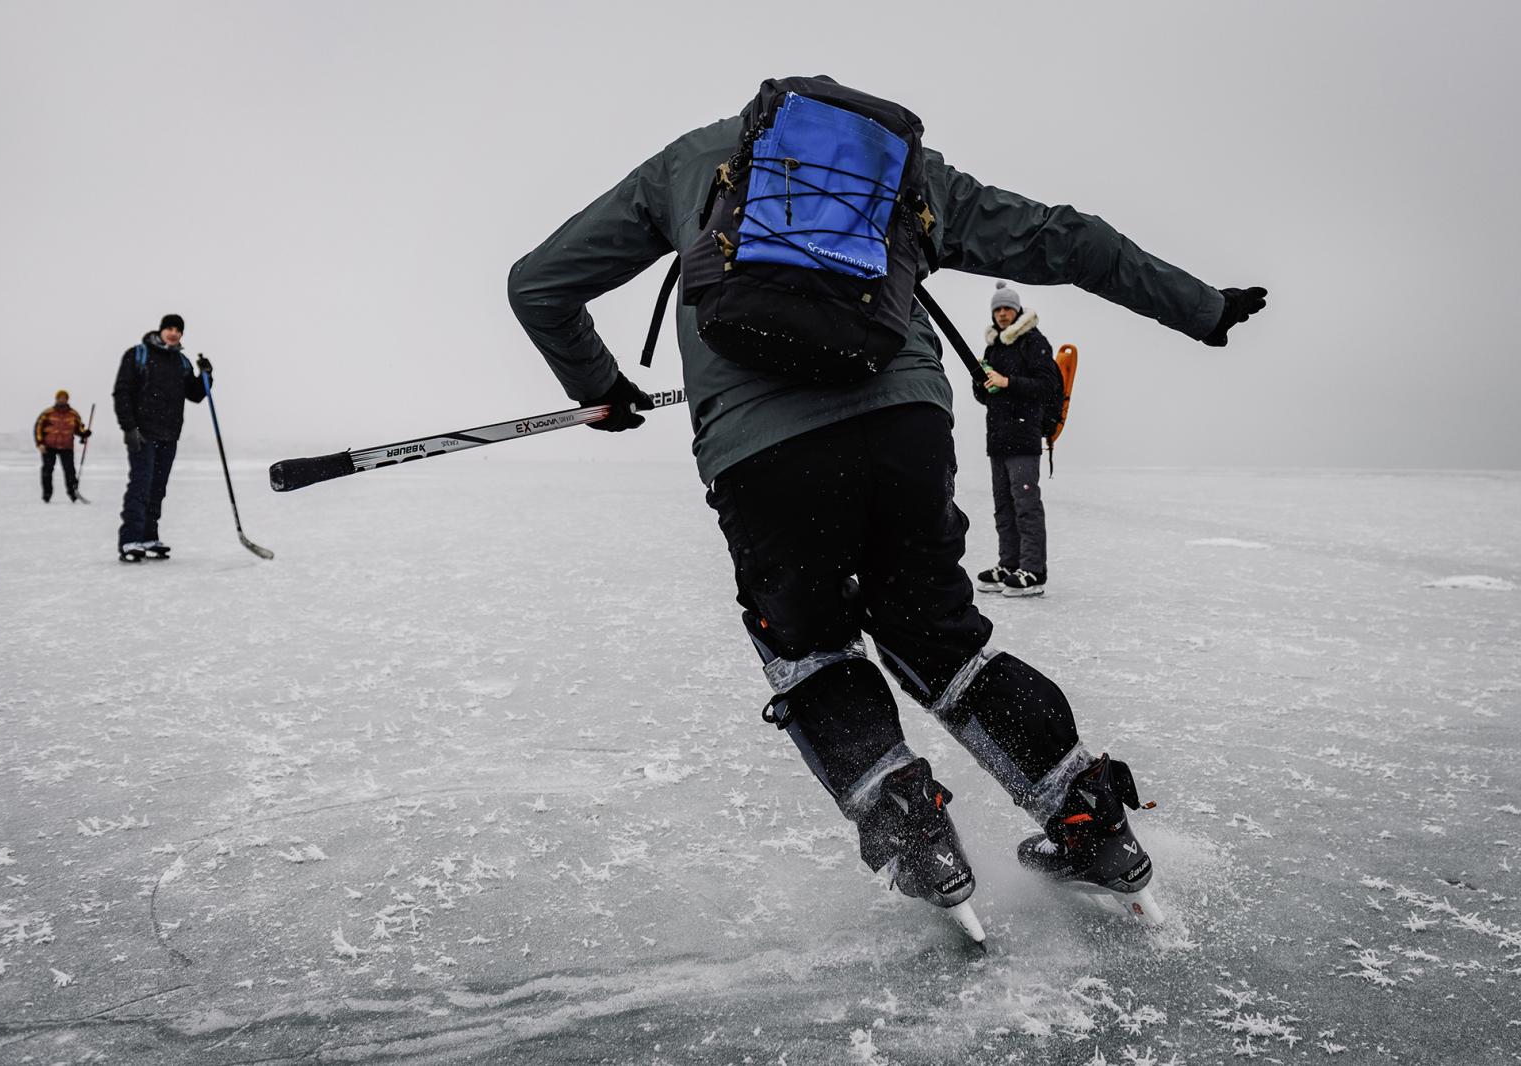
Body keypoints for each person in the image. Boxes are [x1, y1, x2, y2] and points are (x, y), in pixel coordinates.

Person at [508, 76, 1266, 926]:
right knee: (943, 642)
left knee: (812, 650)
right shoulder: (903, 171)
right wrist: (1201, 308)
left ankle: (914, 830)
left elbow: (539, 284)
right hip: (902, 427)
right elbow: (1069, 239)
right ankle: (1088, 818)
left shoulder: (689, 163)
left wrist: (601, 387)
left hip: (761, 452)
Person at [972, 282, 1062, 597]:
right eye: (997, 309)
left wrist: (1007, 381)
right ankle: (1009, 565)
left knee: (1026, 505)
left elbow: (1047, 385)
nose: (1002, 314)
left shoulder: (1034, 342)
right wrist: (983, 386)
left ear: (1017, 310)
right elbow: (987, 395)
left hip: (1024, 437)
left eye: (1007, 308)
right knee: (1003, 506)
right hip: (998, 438)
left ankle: (1034, 571)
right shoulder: (993, 347)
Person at [111, 314, 213, 562]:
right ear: (161, 330)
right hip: (142, 433)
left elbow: (196, 394)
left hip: (169, 433)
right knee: (140, 485)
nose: (174, 333)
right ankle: (130, 540)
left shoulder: (181, 362)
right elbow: (122, 392)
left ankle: (148, 536)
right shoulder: (138, 354)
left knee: (157, 487)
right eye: (170, 328)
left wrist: (207, 375)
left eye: (178, 330)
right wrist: (129, 428)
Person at [33, 389, 91, 503]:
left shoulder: (73, 414)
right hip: (49, 447)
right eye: (60, 398)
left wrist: (84, 433)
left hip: (66, 447)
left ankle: (73, 494)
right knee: (47, 471)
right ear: (57, 399)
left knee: (70, 471)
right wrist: (40, 443)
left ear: (67, 399)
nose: (62, 400)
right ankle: (47, 495)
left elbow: (79, 428)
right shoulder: (47, 413)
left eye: (64, 398)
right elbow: (38, 428)